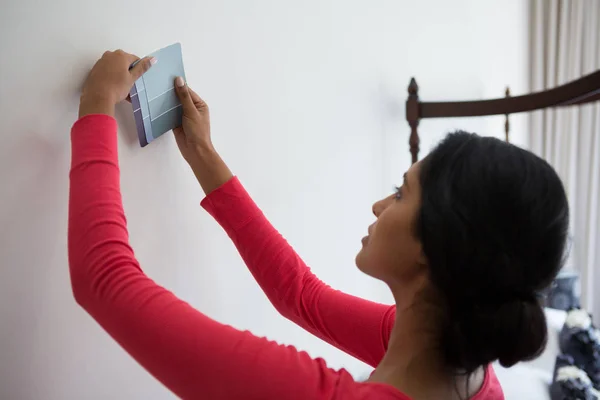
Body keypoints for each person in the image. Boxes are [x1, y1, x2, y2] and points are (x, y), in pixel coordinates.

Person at [69, 50, 570, 400]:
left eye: (400, 193)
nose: (379, 205)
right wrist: (202, 152)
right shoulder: (464, 367)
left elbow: (105, 281)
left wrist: (95, 107)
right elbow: (299, 294)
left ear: (433, 246)